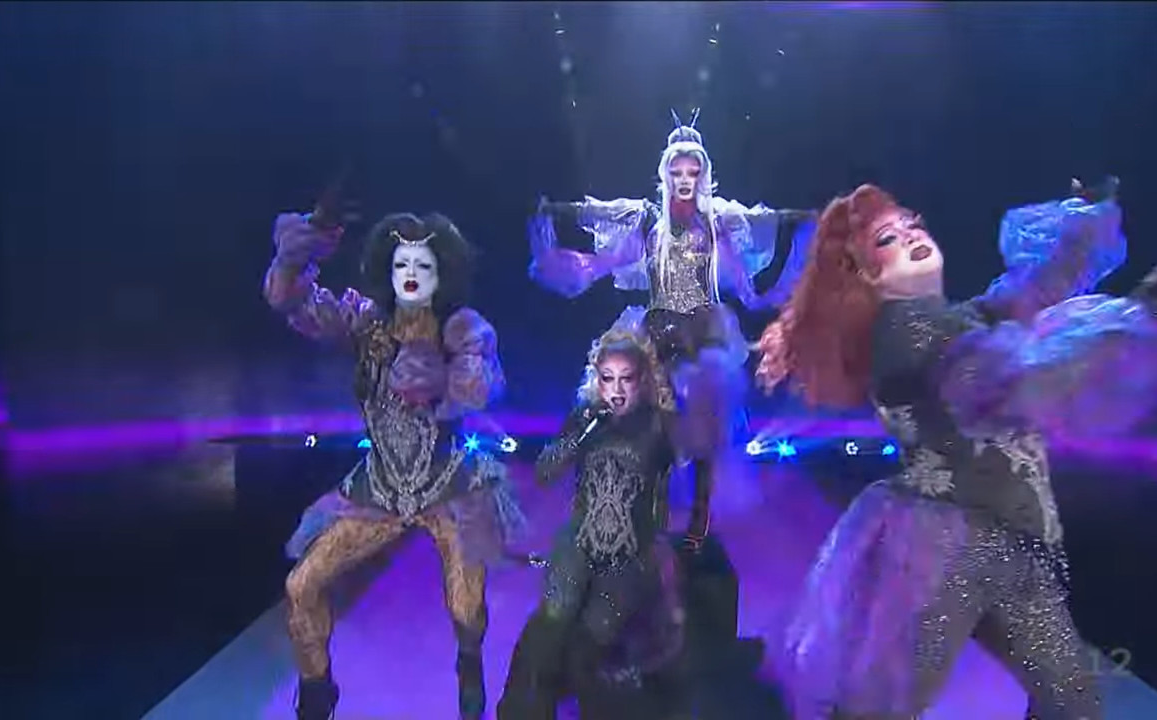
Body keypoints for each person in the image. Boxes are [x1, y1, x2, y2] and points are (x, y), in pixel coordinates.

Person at [755, 179, 1157, 719]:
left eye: (910, 224)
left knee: (1070, 700)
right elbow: (1011, 380)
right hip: (943, 552)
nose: (910, 235)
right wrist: (1136, 318)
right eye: (887, 240)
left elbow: (1028, 295)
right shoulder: (908, 331)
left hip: (1007, 543)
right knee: (891, 707)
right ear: (869, 275)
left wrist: (1083, 226)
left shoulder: (950, 320)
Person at [264, 210, 524, 720]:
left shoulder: (461, 329)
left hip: (450, 488)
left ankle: (469, 668)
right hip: (379, 489)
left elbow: (483, 385)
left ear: (441, 273)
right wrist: (294, 257)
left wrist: (447, 377)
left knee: (466, 610)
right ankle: (317, 692)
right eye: (402, 263)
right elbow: (295, 302)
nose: (411, 273)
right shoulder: (366, 321)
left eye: (423, 265)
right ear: (387, 268)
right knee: (302, 586)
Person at [529, 111, 816, 553]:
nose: (685, 180)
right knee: (639, 415)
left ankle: (698, 516)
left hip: (703, 329)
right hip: (657, 326)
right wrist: (559, 211)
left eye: (692, 173)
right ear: (666, 175)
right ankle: (638, 501)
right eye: (677, 172)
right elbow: (598, 212)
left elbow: (765, 229)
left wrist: (801, 221)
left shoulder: (718, 221)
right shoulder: (648, 220)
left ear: (703, 175)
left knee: (706, 424)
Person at [498, 329, 686, 720]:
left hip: (630, 554)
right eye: (608, 379)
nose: (616, 390)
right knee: (552, 622)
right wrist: (581, 435)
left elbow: (680, 477)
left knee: (590, 639)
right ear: (597, 381)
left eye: (626, 379)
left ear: (642, 381)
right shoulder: (584, 419)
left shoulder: (660, 425)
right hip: (580, 542)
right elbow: (544, 473)